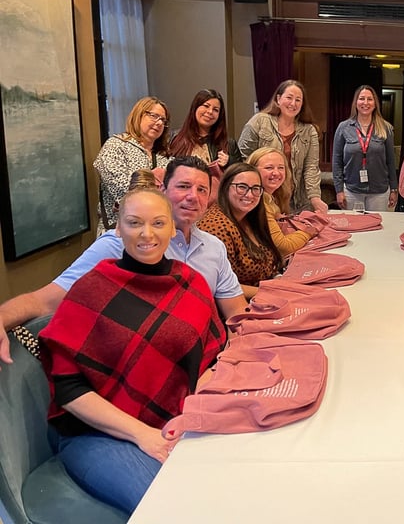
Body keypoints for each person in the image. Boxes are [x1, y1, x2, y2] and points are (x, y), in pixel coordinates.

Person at [38, 187, 227, 515]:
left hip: (175, 422)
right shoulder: (91, 289)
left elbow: (207, 363)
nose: (146, 234)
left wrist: (192, 416)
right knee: (173, 508)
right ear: (118, 228)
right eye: (134, 223)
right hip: (96, 434)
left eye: (157, 223)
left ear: (171, 227)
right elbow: (69, 390)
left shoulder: (192, 283)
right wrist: (144, 435)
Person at [0, 156, 247, 372]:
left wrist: (236, 360)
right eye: (183, 186)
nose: (193, 196)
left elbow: (236, 313)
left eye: (202, 190)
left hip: (208, 366)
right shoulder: (120, 244)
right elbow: (44, 300)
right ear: (162, 189)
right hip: (141, 372)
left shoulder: (213, 247)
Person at [238, 80, 328, 213]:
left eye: (298, 100)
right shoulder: (259, 121)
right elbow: (243, 159)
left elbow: (311, 168)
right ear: (278, 99)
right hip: (263, 198)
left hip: (297, 201)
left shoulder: (309, 131)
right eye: (289, 98)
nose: (293, 103)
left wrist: (315, 198)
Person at [198, 163, 282, 299]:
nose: (249, 195)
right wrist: (273, 291)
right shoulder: (216, 226)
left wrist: (278, 280)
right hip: (236, 305)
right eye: (242, 187)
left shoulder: (250, 217)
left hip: (266, 294)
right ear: (225, 187)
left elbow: (270, 263)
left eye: (256, 188)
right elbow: (219, 286)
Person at [93, 96, 172, 233]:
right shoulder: (116, 146)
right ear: (138, 115)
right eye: (154, 116)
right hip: (118, 232)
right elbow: (122, 188)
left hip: (156, 232)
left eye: (163, 120)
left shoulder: (164, 156)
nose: (159, 123)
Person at [332, 85, 399, 211]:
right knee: (354, 229)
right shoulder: (343, 128)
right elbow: (337, 162)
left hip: (379, 192)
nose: (365, 103)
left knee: (378, 229)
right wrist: (339, 190)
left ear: (375, 103)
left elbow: (391, 161)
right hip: (352, 191)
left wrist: (394, 189)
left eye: (370, 99)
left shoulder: (386, 128)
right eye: (362, 98)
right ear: (356, 102)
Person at [247, 147, 318, 257]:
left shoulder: (275, 196)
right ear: (253, 170)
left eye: (281, 168)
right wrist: (309, 231)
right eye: (269, 167)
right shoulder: (257, 202)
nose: (276, 173)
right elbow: (283, 247)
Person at [169, 89, 242, 169]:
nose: (210, 112)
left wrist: (229, 162)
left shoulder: (229, 145)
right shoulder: (174, 138)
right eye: (206, 106)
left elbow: (241, 173)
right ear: (195, 107)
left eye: (215, 110)